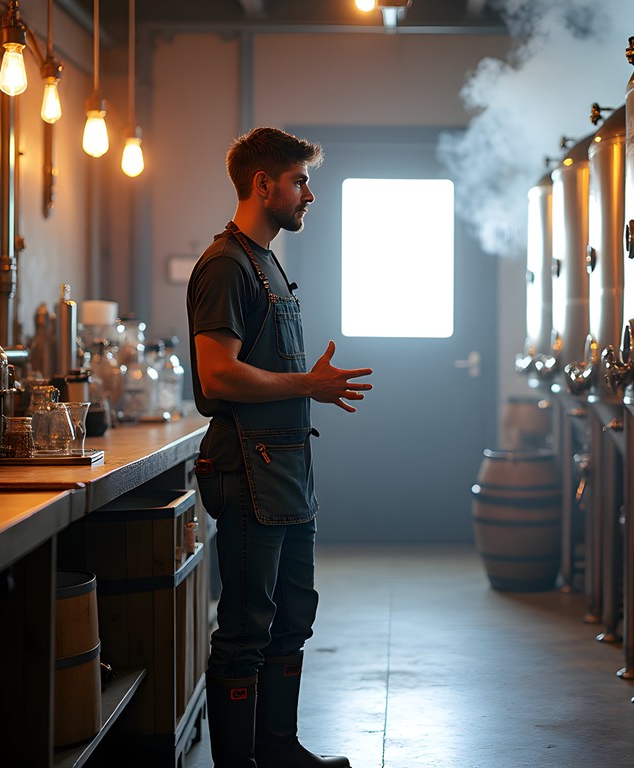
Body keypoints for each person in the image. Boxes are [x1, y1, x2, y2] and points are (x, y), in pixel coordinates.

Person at [186, 127, 373, 768]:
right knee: (243, 629)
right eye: (299, 181)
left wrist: (307, 389)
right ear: (263, 184)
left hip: (288, 471)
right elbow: (217, 376)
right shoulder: (225, 265)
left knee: (292, 616)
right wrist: (308, 384)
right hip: (247, 469)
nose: (309, 196)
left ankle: (279, 749)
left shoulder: (266, 262)